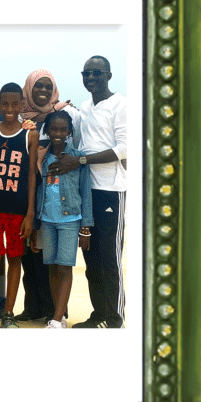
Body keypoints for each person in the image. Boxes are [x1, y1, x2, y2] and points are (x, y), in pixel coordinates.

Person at [49, 56, 127, 328]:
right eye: (87, 73)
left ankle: (114, 319)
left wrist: (81, 161)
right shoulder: (84, 108)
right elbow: (74, 138)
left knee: (109, 258)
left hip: (110, 191)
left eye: (97, 72)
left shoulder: (121, 105)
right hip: (86, 192)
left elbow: (123, 149)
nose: (91, 77)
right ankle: (98, 314)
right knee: (91, 258)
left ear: (108, 74)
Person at [0, 83, 39, 328]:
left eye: (16, 104)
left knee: (15, 259)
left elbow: (32, 175)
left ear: (22, 105)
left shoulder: (30, 134)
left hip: (17, 210)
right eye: (5, 104)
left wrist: (30, 213)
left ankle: (10, 313)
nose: (10, 109)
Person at [16, 69, 73, 323]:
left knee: (49, 255)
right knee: (28, 253)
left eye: (47, 87)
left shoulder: (60, 116)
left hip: (51, 195)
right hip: (25, 194)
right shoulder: (20, 118)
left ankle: (56, 310)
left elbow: (70, 150)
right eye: (38, 86)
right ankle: (33, 307)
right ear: (29, 88)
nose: (43, 92)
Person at [32, 110, 93, 328]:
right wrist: (35, 223)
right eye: (54, 128)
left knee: (65, 267)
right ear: (47, 130)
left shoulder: (77, 157)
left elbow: (86, 192)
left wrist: (85, 227)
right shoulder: (42, 156)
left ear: (69, 132)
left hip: (70, 220)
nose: (58, 133)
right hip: (47, 220)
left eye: (63, 129)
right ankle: (61, 316)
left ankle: (56, 320)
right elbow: (39, 190)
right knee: (51, 266)